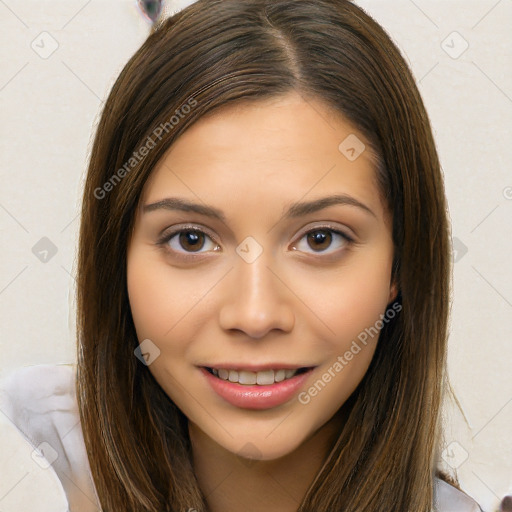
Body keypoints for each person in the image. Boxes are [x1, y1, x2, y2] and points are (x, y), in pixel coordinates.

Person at [0, 1, 485, 511]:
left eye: (321, 239)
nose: (255, 315)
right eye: (191, 240)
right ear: (115, 263)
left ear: (400, 265)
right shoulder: (25, 468)